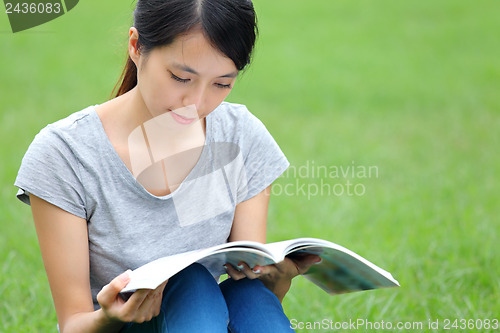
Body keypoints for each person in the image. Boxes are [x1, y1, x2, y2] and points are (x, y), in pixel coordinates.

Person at [14, 0, 320, 332]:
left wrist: (279, 278)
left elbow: (250, 289)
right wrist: (111, 315)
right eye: (180, 77)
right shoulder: (66, 154)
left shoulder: (240, 137)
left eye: (222, 84)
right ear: (136, 46)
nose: (197, 103)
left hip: (203, 320)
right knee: (194, 284)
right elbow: (73, 323)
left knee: (248, 295)